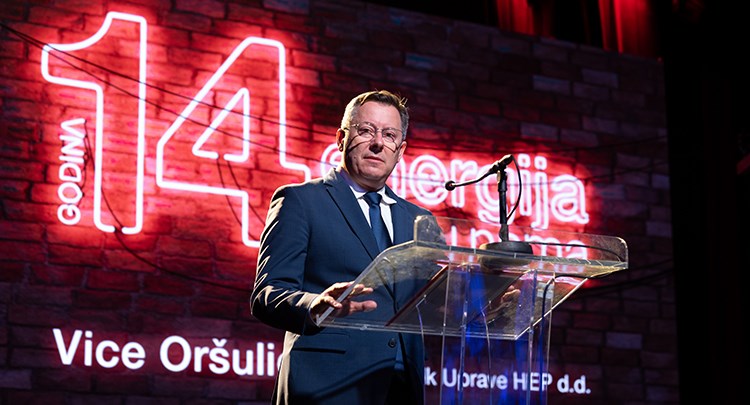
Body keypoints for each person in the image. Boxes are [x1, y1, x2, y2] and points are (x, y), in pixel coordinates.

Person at [250, 90, 433, 404]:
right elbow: (267, 294)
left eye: (389, 135)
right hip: (326, 386)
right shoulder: (300, 201)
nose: (378, 143)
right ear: (340, 139)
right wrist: (315, 306)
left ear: (400, 150)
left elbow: (431, 305)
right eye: (366, 131)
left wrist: (489, 304)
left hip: (401, 389)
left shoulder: (419, 220)